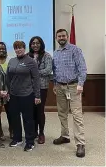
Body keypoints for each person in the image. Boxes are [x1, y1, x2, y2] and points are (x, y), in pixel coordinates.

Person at [52, 29, 87, 158]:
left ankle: (80, 143)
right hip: (60, 87)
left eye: (63, 36)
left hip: (73, 86)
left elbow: (82, 67)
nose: (61, 38)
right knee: (62, 113)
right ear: (56, 38)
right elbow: (55, 70)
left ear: (67, 37)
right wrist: (55, 84)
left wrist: (80, 84)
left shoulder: (75, 50)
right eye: (59, 36)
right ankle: (65, 135)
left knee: (77, 115)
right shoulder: (55, 53)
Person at [6, 41, 41, 152]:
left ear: (24, 48)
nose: (18, 50)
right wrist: (8, 91)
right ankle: (17, 138)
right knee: (15, 118)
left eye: (20, 48)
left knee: (28, 119)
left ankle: (30, 142)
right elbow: (8, 78)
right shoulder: (11, 61)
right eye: (16, 48)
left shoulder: (31, 61)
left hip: (27, 94)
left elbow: (36, 79)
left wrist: (37, 95)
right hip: (13, 95)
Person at [28, 36, 52, 144]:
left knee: (40, 111)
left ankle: (41, 133)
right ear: (30, 45)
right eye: (33, 43)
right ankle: (33, 132)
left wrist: (34, 72)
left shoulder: (47, 55)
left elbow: (48, 70)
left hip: (42, 87)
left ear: (41, 44)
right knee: (31, 111)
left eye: (37, 43)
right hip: (29, 88)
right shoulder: (27, 56)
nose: (35, 45)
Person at [0, 42, 13, 141]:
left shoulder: (10, 61)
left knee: (10, 112)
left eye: (3, 49)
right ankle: (0, 131)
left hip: (8, 91)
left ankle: (11, 130)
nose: (1, 50)